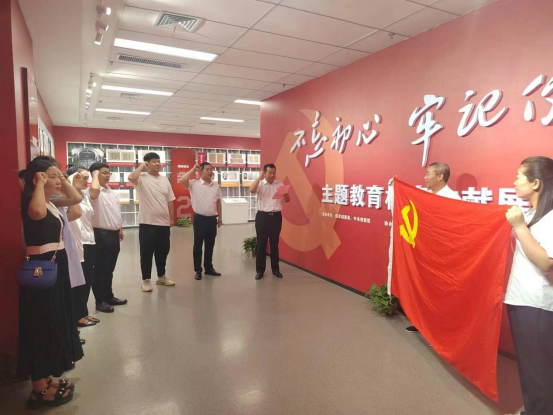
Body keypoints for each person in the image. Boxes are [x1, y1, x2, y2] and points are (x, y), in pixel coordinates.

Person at [18, 157, 83, 409]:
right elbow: (36, 213)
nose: (57, 181)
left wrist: (62, 179)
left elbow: (76, 198)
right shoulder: (33, 202)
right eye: (52, 177)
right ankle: (38, 389)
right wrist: (38, 183)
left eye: (59, 176)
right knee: (41, 324)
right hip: (41, 271)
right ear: (38, 178)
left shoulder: (51, 202)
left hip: (56, 267)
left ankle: (45, 377)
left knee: (53, 322)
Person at [504, 156, 553, 415]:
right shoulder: (533, 212)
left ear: (535, 183)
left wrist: (520, 227)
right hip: (522, 299)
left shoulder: (550, 217)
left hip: (536, 305)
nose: (514, 182)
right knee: (532, 368)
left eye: (518, 177)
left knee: (538, 371)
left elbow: (546, 262)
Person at [406, 162, 461, 333]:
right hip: (425, 251)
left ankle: (439, 330)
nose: (425, 177)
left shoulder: (453, 199)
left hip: (443, 255)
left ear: (440, 176)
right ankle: (422, 323)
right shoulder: (425, 196)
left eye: (428, 174)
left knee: (440, 292)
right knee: (424, 288)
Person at [128, 152, 176, 292]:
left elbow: (170, 199)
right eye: (154, 161)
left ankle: (161, 277)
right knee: (146, 253)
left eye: (158, 161)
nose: (158, 164)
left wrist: (172, 218)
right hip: (147, 223)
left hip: (163, 223)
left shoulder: (164, 179)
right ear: (147, 163)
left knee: (163, 252)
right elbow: (131, 178)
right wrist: (142, 166)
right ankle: (146, 280)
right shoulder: (142, 178)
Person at [87, 163, 127, 313]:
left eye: (108, 173)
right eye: (104, 173)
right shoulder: (92, 191)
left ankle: (109, 296)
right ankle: (100, 300)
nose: (108, 175)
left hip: (114, 233)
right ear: (95, 174)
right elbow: (94, 193)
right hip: (100, 233)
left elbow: (116, 211)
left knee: (109, 268)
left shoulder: (111, 192)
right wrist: (95, 175)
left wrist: (120, 228)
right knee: (100, 269)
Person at [67, 165, 100, 327]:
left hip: (89, 241)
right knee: (78, 281)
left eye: (88, 178)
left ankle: (83, 312)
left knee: (87, 279)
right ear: (73, 178)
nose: (87, 181)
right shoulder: (66, 197)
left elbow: (95, 190)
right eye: (83, 178)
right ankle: (76, 316)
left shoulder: (85, 195)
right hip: (76, 243)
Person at [179, 162, 222, 280]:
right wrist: (193, 169)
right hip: (199, 219)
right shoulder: (194, 184)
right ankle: (198, 270)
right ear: (201, 171)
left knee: (210, 245)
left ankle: (209, 268)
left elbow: (218, 202)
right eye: (207, 169)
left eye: (211, 169)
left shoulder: (216, 185)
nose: (210, 171)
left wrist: (220, 218)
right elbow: (182, 180)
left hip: (212, 219)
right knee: (198, 245)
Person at [249, 164, 290, 280]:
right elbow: (251, 190)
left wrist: (287, 197)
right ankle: (260, 270)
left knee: (274, 244)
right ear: (264, 173)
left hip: (276, 217)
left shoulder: (280, 184)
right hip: (262, 216)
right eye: (270, 173)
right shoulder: (260, 184)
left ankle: (275, 269)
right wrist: (259, 177)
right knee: (261, 244)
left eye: (274, 173)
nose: (272, 175)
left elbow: (287, 199)